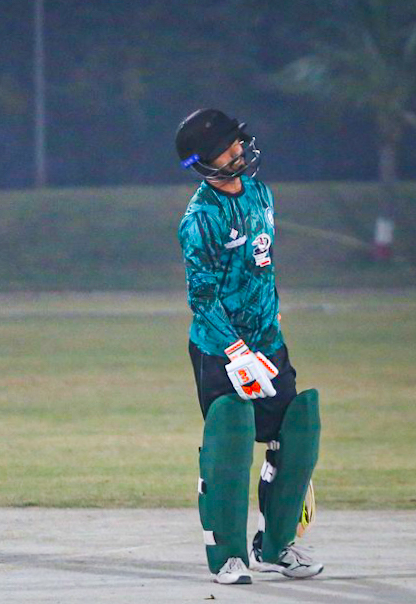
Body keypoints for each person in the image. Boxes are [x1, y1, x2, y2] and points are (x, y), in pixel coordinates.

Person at [175, 109, 323, 585]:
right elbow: (202, 299)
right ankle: (229, 557)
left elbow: (263, 265)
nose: (239, 149)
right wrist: (237, 352)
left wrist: (271, 317)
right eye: (227, 147)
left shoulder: (261, 194)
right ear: (204, 161)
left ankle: (275, 547)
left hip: (268, 344)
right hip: (221, 350)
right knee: (231, 442)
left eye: (238, 141)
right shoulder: (200, 219)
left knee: (296, 432)